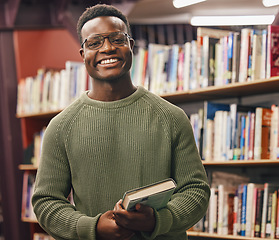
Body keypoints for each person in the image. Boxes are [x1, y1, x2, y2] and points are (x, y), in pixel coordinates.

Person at [32, 4, 210, 240]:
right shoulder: (61, 127)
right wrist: (92, 227)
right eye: (94, 43)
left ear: (131, 46)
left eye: (117, 39)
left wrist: (158, 220)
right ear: (83, 54)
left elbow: (196, 191)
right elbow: (46, 202)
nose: (107, 48)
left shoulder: (171, 118)